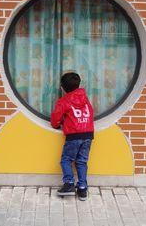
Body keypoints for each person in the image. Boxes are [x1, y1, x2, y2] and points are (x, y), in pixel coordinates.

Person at [51, 72, 94, 201]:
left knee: (66, 160)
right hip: (88, 134)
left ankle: (69, 183)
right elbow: (91, 113)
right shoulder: (85, 98)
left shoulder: (64, 101)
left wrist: (56, 125)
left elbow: (55, 118)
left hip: (74, 135)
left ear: (63, 88)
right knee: (81, 161)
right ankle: (82, 188)